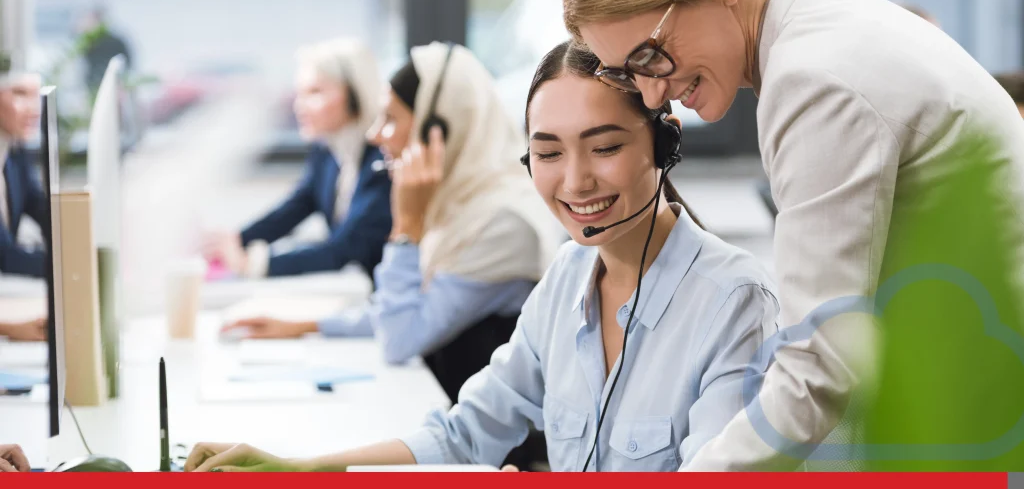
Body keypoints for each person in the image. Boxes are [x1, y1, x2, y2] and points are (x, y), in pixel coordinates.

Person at [185, 41, 779, 473]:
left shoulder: (731, 302)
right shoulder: (567, 278)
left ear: (663, 141)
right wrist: (302, 468)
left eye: (605, 147)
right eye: (547, 154)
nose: (575, 181)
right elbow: (467, 433)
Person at [562, 0, 1024, 471]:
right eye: (626, 75)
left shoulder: (813, 78)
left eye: (649, 57)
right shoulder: (825, 26)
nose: (653, 96)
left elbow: (822, 364)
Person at [221, 42, 562, 406]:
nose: (375, 134)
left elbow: (399, 338)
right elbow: (405, 310)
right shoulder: (458, 205)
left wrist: (407, 227)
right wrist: (306, 326)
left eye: (391, 120)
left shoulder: (502, 223)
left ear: (439, 133)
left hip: (489, 451)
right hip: (442, 410)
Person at [203, 38, 392, 279]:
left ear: (356, 93)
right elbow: (294, 208)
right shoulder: (327, 153)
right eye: (299, 93)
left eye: (314, 92)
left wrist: (254, 263)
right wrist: (236, 241)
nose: (299, 105)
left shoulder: (383, 161)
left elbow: (344, 250)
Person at [0, 63, 46, 280]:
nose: (34, 108)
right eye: (20, 93)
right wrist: (70, 263)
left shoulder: (15, 155)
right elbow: (4, 259)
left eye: (36, 95)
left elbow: (44, 212)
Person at [79, 5, 133, 95]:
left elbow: (127, 61)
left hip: (114, 83)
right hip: (93, 84)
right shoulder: (88, 41)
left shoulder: (115, 41)